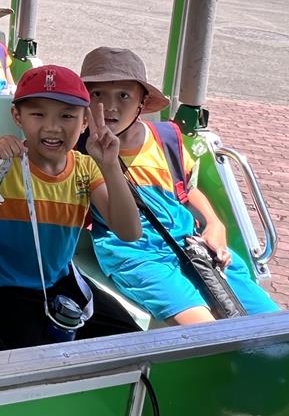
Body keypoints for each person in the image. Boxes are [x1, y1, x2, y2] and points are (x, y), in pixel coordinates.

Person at [0, 65, 142, 352]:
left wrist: (110, 165)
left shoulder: (86, 168)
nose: (52, 127)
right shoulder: (2, 163)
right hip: (2, 286)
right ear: (17, 117)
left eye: (67, 116)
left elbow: (129, 232)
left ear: (85, 121)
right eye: (38, 114)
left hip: (61, 281)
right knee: (35, 355)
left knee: (133, 340)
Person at [81, 47, 279, 324]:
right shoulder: (79, 150)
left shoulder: (166, 139)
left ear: (141, 103)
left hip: (190, 244)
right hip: (137, 255)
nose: (110, 106)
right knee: (205, 330)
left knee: (271, 322)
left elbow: (186, 189)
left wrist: (215, 224)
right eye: (97, 94)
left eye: (124, 95)